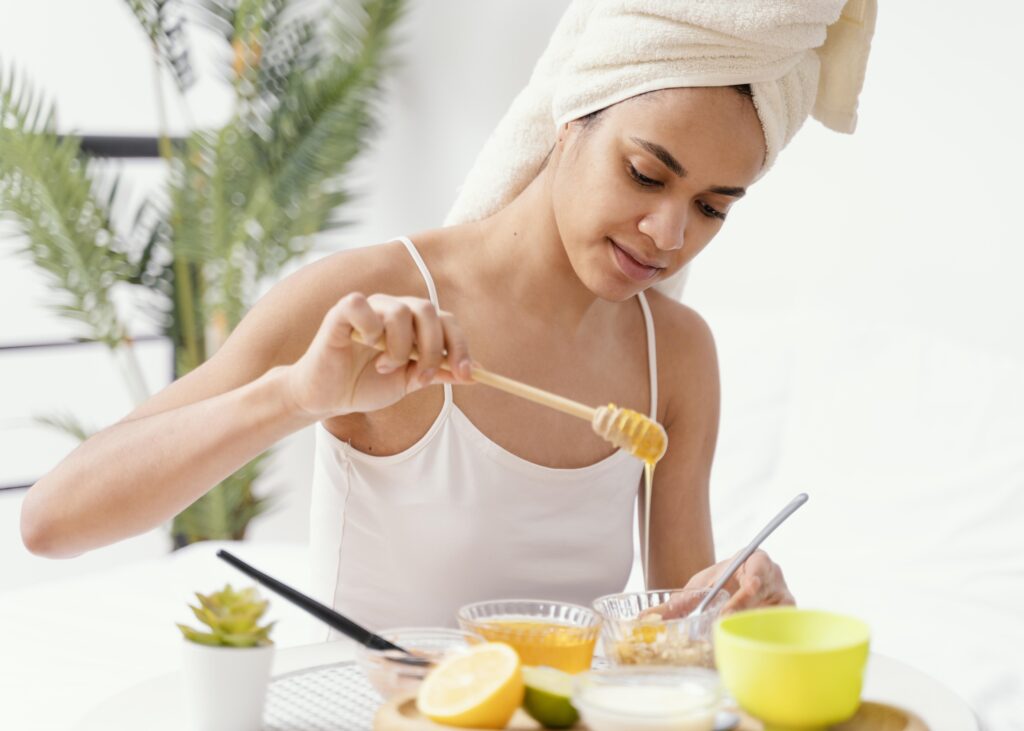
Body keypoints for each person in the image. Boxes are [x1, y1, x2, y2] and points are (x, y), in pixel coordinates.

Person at [20, 0, 875, 633]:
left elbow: (679, 614)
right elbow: (52, 519)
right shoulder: (373, 302)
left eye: (714, 207)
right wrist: (295, 395)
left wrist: (738, 609)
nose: (669, 234)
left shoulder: (676, 355)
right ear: (571, 118)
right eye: (647, 175)